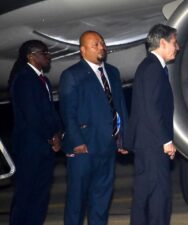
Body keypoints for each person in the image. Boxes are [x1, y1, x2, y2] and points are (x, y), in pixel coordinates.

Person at [59, 31, 128, 225]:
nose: (101, 47)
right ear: (83, 50)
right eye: (95, 44)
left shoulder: (113, 72)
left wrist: (123, 138)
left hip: (108, 146)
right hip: (85, 148)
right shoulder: (72, 75)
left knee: (101, 199)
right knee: (77, 200)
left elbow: (120, 106)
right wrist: (77, 141)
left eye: (102, 43)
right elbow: (67, 112)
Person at [123, 24, 178, 225]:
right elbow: (152, 109)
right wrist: (166, 141)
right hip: (153, 144)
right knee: (158, 197)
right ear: (163, 42)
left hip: (146, 143)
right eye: (174, 42)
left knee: (144, 195)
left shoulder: (149, 66)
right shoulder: (153, 68)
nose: (177, 47)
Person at [8, 40, 62, 225]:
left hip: (44, 148)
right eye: (44, 52)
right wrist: (51, 136)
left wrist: (58, 133)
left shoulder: (43, 80)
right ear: (30, 56)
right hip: (29, 148)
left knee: (40, 196)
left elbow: (50, 111)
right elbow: (32, 115)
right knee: (25, 196)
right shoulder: (23, 79)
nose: (49, 56)